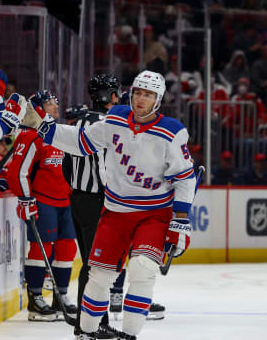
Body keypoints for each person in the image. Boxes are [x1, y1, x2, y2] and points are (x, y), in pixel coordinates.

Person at [35, 70, 196, 339]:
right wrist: (43, 127)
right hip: (115, 211)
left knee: (142, 269)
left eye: (148, 94)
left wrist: (180, 219)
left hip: (153, 215)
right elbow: (82, 141)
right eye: (138, 92)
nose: (141, 99)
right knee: (98, 276)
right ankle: (85, 332)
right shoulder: (116, 118)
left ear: (158, 99)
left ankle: (131, 334)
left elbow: (184, 176)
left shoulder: (172, 131)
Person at [6, 90, 78, 322]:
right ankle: (35, 299)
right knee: (41, 250)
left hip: (65, 202)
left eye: (56, 103)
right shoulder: (30, 136)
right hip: (42, 201)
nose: (55, 108)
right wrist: (25, 198)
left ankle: (62, 296)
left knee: (67, 249)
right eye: (49, 104)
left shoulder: (60, 134)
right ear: (37, 108)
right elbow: (18, 171)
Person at [68, 74, 122, 338]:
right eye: (115, 93)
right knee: (97, 266)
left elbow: (68, 165)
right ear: (105, 96)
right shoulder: (105, 122)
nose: (119, 97)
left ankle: (95, 321)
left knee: (93, 264)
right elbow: (104, 167)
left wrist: (79, 190)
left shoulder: (78, 120)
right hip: (97, 201)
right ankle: (87, 325)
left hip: (78, 199)